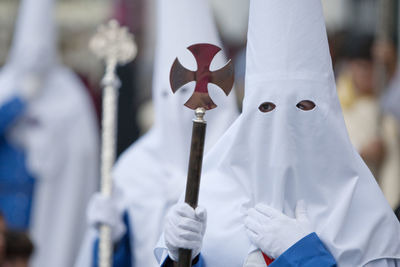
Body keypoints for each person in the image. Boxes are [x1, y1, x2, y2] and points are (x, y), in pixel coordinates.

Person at [156, 0, 400, 266]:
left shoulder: (366, 221)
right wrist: (183, 258)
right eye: (267, 107)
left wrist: (305, 256)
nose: (283, 127)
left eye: (303, 107)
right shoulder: (211, 200)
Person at [75, 0, 238, 266]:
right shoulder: (134, 169)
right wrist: (111, 238)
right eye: (171, 94)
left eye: (196, 91)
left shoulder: (242, 168)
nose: (185, 108)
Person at [0, 0, 99, 266]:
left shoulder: (69, 93)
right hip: (6, 201)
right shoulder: (6, 85)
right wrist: (18, 101)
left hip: (49, 200)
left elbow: (82, 151)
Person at [336, 34, 400, 209]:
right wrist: (362, 153)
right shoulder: (336, 106)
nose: (368, 74)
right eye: (362, 67)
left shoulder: (387, 111)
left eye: (373, 68)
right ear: (350, 66)